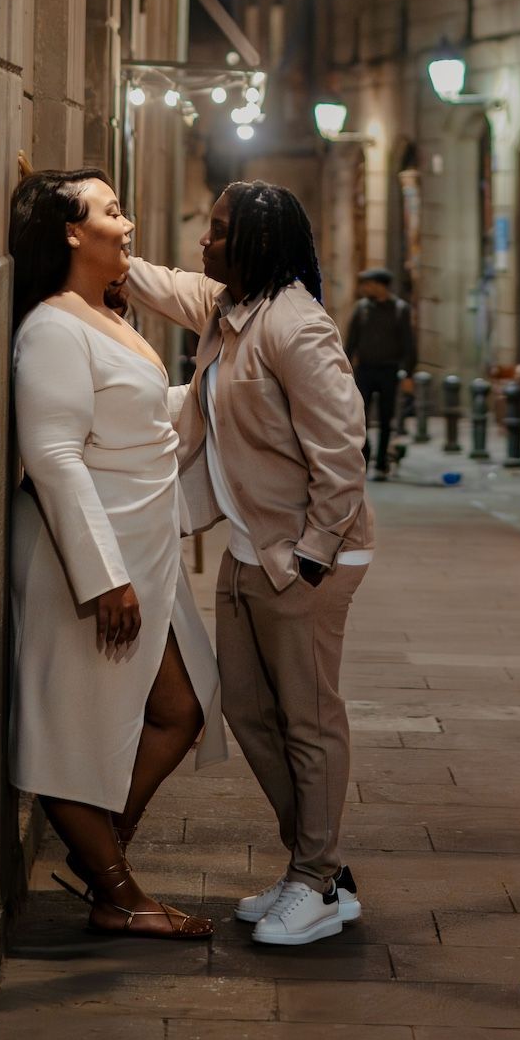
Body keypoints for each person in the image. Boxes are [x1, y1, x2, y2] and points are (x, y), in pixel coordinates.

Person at [129, 181, 373, 949]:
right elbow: (161, 283)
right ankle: (315, 865)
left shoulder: (294, 328)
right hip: (247, 547)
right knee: (245, 706)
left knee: (307, 716)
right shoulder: (230, 312)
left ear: (258, 244)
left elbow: (342, 452)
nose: (205, 241)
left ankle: (319, 878)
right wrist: (89, 241)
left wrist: (311, 557)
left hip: (304, 553)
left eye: (220, 230)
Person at [7, 169, 223, 942]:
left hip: (143, 545)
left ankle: (105, 863)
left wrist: (213, 388)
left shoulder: (101, 313)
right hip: (86, 562)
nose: (127, 222)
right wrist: (104, 579)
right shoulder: (50, 328)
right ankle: (117, 889)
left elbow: (132, 417)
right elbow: (55, 454)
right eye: (111, 210)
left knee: (179, 708)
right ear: (71, 231)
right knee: (68, 727)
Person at [344, 264, 416, 477]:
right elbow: (351, 342)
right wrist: (344, 369)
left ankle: (382, 462)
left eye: (368, 284)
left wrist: (408, 374)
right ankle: (365, 456)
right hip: (364, 370)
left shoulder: (400, 310)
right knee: (360, 417)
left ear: (379, 286)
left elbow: (408, 345)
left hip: (388, 370)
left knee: (386, 418)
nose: (365, 289)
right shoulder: (362, 308)